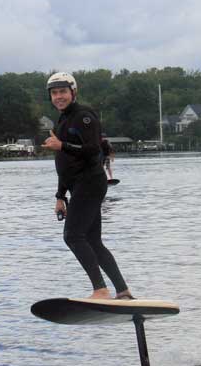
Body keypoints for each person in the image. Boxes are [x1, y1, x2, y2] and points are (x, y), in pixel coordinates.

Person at [41, 72, 134, 300]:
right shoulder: (62, 120)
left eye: (63, 91)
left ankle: (100, 290)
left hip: (90, 182)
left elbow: (93, 150)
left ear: (73, 91)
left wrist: (62, 145)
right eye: (54, 93)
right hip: (77, 185)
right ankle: (123, 291)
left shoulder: (84, 116)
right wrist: (60, 196)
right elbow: (63, 163)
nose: (58, 97)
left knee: (72, 236)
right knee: (92, 241)